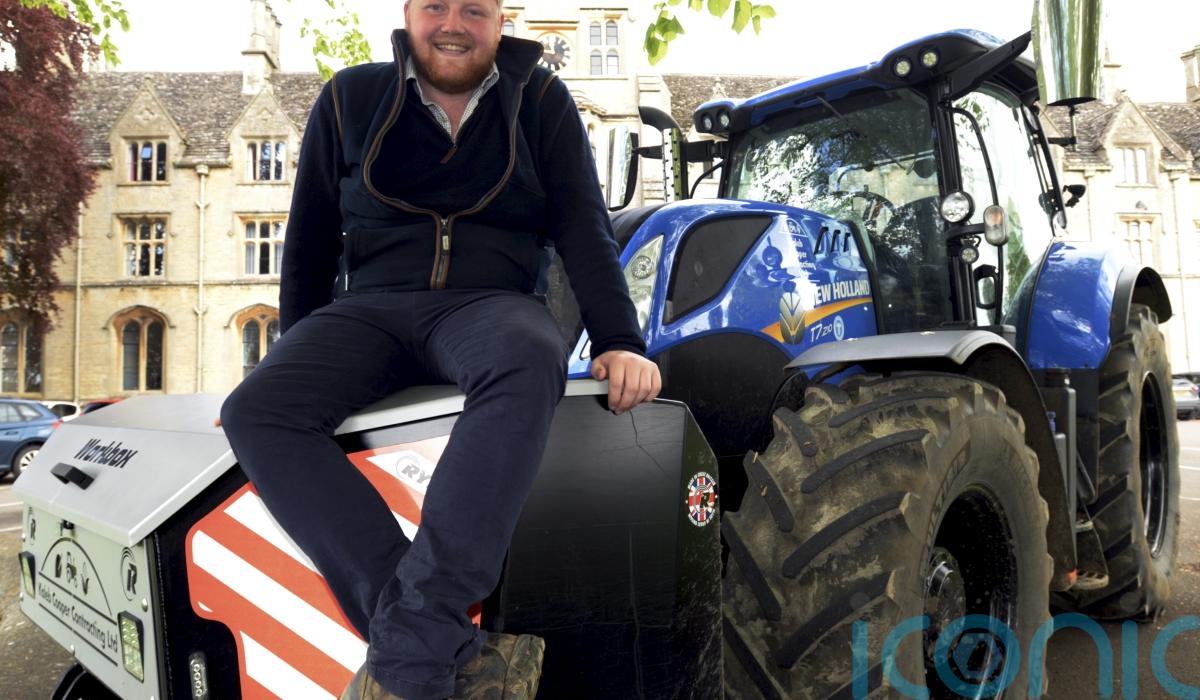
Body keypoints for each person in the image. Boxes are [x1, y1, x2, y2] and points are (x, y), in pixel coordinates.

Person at [219, 0, 661, 698]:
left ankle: (411, 653)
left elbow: (584, 224)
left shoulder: (542, 99)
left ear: (500, 21)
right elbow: (309, 238)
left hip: (489, 303)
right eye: (436, 6)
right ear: (408, 14)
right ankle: (426, 638)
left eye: (474, 10)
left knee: (530, 354)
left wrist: (619, 338)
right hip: (370, 306)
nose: (453, 23)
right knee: (256, 409)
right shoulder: (349, 97)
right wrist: (296, 344)